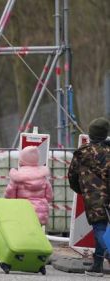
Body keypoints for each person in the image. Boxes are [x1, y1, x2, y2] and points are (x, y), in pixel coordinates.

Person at [68, 117, 110, 277]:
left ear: (90, 134)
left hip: (93, 196)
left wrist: (81, 190)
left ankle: (107, 252)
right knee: (104, 228)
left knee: (99, 228)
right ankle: (98, 265)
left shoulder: (82, 153)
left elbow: (72, 176)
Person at [4, 146, 53, 226]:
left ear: (22, 159)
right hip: (40, 214)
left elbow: (9, 196)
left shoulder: (17, 176)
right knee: (36, 234)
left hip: (22, 212)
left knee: (23, 234)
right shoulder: (43, 177)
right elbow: (49, 196)